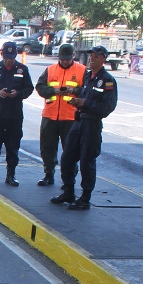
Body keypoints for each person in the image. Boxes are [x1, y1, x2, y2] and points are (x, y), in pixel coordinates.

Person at [49, 46, 119, 210]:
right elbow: (85, 92)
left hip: (92, 124)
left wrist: (85, 103)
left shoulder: (107, 80)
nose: (91, 59)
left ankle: (85, 198)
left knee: (87, 161)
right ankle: (69, 192)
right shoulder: (89, 76)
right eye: (91, 56)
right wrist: (76, 94)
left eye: (96, 57)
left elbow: (108, 106)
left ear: (103, 59)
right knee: (67, 158)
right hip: (79, 121)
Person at [0, 41, 34, 186]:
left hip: (14, 115)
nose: (8, 60)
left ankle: (11, 175)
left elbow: (29, 88)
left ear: (15, 55)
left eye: (11, 57)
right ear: (2, 55)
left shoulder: (22, 70)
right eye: (6, 57)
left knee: (13, 146)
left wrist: (18, 93)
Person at [34, 43, 86, 186]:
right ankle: (48, 174)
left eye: (67, 59)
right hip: (50, 115)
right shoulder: (50, 70)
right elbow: (40, 87)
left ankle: (69, 178)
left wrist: (73, 90)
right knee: (47, 147)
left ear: (73, 57)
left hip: (71, 117)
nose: (64, 61)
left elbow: (87, 90)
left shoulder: (82, 70)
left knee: (70, 150)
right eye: (62, 59)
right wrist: (53, 91)